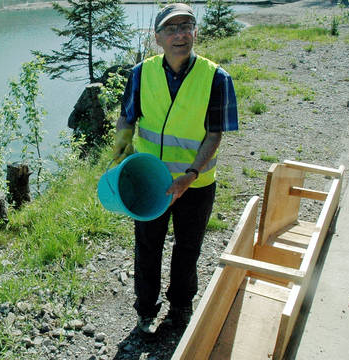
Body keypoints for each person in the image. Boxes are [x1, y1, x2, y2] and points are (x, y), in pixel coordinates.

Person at [113, 3, 239, 338]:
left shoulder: (216, 78)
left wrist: (192, 174)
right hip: (149, 182)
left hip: (195, 184)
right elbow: (128, 117)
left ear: (195, 33)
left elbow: (215, 133)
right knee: (147, 246)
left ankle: (181, 308)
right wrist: (119, 154)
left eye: (186, 27)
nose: (180, 34)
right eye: (171, 29)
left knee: (188, 247)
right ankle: (145, 310)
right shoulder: (142, 73)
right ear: (158, 38)